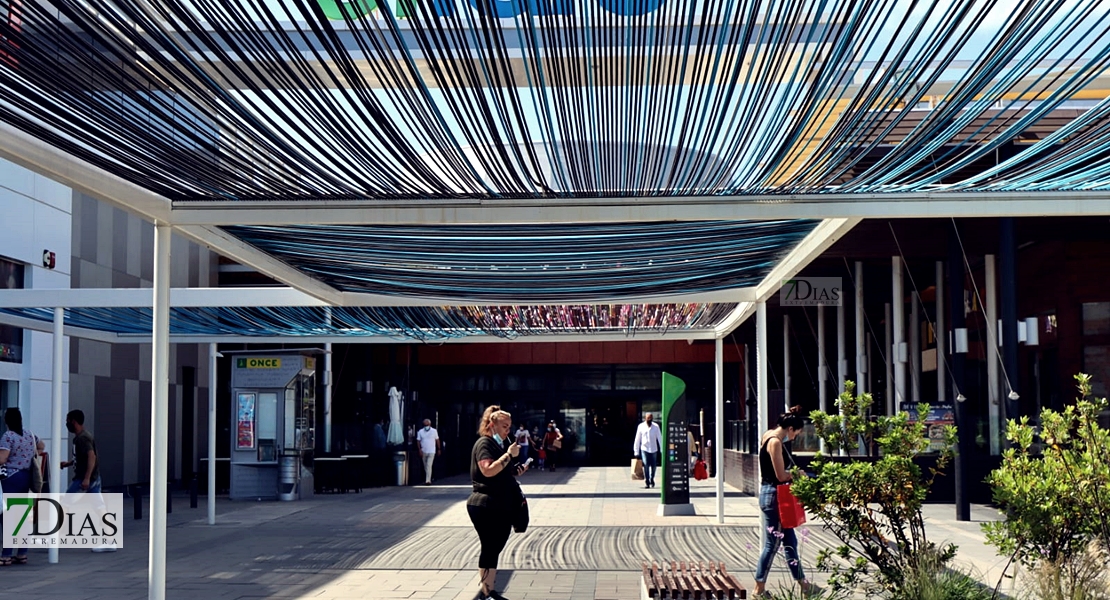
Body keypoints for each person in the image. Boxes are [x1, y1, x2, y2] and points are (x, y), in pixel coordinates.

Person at [753, 406, 820, 597]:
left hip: (773, 494)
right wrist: (797, 474)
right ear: (790, 428)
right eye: (795, 434)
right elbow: (781, 476)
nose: (794, 438)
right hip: (775, 496)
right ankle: (759, 589)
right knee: (772, 545)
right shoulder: (775, 442)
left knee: (790, 542)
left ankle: (805, 586)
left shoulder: (767, 435)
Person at [468, 406, 529, 599]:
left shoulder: (499, 446)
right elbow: (488, 470)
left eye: (509, 426)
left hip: (499, 504)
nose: (507, 430)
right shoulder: (484, 444)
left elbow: (501, 472)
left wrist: (516, 469)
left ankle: (489, 590)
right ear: (492, 425)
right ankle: (486, 591)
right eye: (504, 426)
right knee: (490, 546)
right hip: (485, 504)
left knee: (494, 547)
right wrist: (509, 455)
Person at [0, 408, 37, 565]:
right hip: (26, 477)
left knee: (8, 516)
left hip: (11, 478)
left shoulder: (8, 436)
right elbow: (40, 445)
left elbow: (2, 458)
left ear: (7, 420)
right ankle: (22, 553)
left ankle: (6, 555)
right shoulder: (29, 434)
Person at [60, 409, 101, 493]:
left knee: (67, 502)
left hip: (83, 478)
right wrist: (68, 463)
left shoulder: (82, 438)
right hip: (94, 477)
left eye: (68, 421)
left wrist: (86, 478)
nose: (67, 424)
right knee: (97, 505)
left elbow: (91, 456)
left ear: (73, 422)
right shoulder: (82, 437)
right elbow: (82, 457)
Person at [632, 412, 662, 488]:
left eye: (651, 418)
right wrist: (636, 451)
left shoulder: (656, 426)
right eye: (648, 418)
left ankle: (652, 478)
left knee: (654, 466)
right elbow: (637, 439)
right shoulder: (641, 426)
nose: (650, 419)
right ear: (645, 418)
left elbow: (660, 438)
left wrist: (662, 449)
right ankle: (647, 481)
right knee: (646, 465)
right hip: (644, 449)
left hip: (654, 449)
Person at [416, 418, 441, 485]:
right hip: (423, 450)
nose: (426, 426)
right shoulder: (420, 431)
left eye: (427, 424)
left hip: (432, 451)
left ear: (430, 424)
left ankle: (428, 480)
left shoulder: (434, 431)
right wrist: (419, 449)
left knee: (429, 465)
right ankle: (429, 477)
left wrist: (439, 448)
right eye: (425, 424)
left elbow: (437, 440)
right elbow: (418, 441)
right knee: (425, 466)